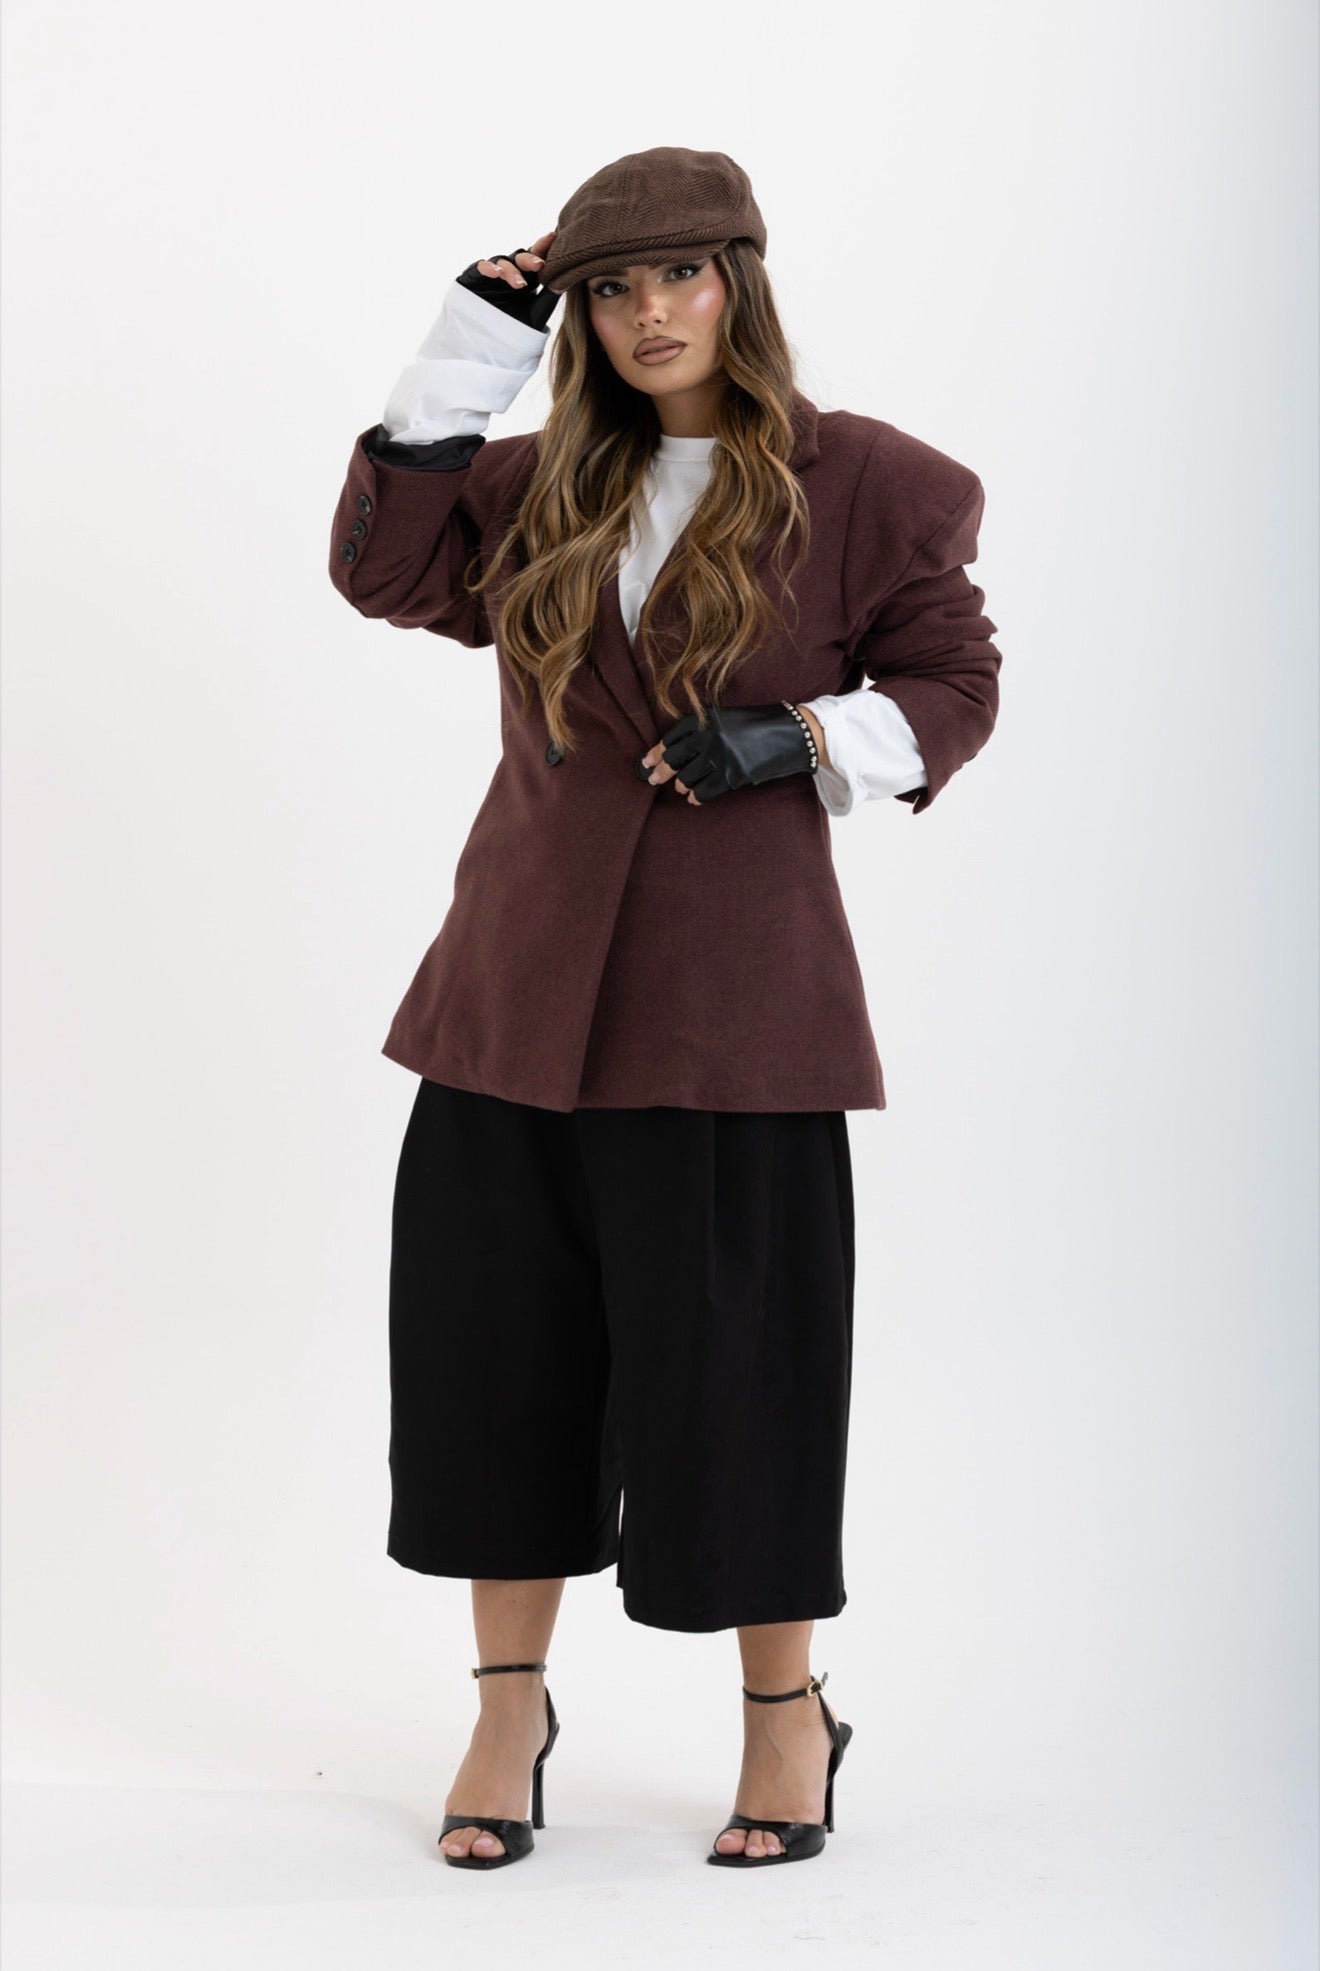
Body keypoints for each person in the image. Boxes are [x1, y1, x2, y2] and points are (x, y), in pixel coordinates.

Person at [327, 146, 1002, 1873]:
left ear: (739, 283)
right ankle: (506, 1708)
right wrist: (475, 337)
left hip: (736, 1017)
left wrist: (807, 739)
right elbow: (380, 569)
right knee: (494, 1371)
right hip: (511, 1003)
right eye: (611, 289)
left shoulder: (874, 483)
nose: (648, 314)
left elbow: (954, 680)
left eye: (680, 276)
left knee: (742, 1383)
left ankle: (787, 1717)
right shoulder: (530, 483)